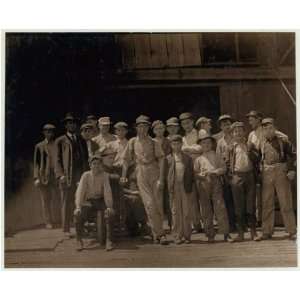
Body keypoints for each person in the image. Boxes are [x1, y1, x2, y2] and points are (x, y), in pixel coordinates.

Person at [121, 115, 168, 245]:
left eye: (145, 126)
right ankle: (160, 234)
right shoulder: (132, 142)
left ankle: (156, 234)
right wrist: (124, 175)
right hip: (140, 171)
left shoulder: (154, 142)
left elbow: (162, 159)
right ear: (136, 128)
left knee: (158, 204)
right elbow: (125, 160)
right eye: (140, 126)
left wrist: (161, 179)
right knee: (149, 204)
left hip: (154, 171)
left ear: (148, 128)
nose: (142, 129)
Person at [257, 118, 296, 241]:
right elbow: (258, 158)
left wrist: (291, 170)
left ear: (275, 128)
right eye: (265, 128)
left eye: (270, 128)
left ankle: (291, 231)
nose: (268, 131)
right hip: (267, 172)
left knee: (285, 201)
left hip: (280, 170)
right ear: (262, 131)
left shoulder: (283, 141)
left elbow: (292, 155)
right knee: (267, 202)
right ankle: (266, 231)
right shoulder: (261, 143)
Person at [194, 131, 234, 243]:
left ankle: (226, 233)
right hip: (203, 184)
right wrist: (200, 175)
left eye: (208, 143)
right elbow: (195, 173)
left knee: (220, 207)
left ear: (212, 144)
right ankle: (210, 234)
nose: (206, 145)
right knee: (206, 209)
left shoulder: (217, 156)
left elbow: (223, 168)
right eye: (203, 143)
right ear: (200, 145)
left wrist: (216, 172)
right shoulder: (199, 159)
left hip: (215, 181)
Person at [55, 113, 89, 237]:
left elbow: (86, 158)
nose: (72, 125)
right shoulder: (60, 141)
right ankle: (66, 229)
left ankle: (80, 227)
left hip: (80, 176)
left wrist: (86, 174)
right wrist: (61, 175)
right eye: (69, 123)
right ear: (66, 126)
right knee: (66, 202)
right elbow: (57, 160)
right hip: (67, 176)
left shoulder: (81, 139)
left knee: (80, 201)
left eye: (73, 123)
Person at [74, 153, 114, 251]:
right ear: (90, 165)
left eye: (98, 164)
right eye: (94, 164)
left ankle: (109, 241)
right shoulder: (86, 175)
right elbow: (80, 191)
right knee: (78, 214)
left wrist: (109, 206)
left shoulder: (104, 175)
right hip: (89, 201)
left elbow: (107, 191)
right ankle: (79, 240)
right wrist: (78, 206)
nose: (96, 166)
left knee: (109, 214)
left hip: (100, 201)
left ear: (101, 165)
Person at [228, 122, 260, 242]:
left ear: (244, 132)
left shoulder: (250, 144)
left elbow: (257, 158)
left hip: (249, 176)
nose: (238, 133)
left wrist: (250, 152)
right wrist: (231, 178)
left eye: (240, 130)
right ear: (232, 134)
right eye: (235, 131)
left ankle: (253, 233)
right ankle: (240, 234)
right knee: (238, 206)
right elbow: (227, 162)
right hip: (237, 176)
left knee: (250, 205)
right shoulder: (231, 147)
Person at [164, 135, 193, 244]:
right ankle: (177, 235)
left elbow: (191, 173)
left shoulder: (187, 158)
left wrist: (190, 185)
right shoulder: (168, 158)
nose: (176, 146)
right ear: (171, 145)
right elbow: (165, 174)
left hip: (185, 186)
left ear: (182, 144)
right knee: (175, 211)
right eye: (174, 144)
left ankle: (187, 235)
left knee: (186, 211)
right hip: (174, 186)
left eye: (178, 144)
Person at [179, 112, 202, 233]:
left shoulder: (200, 133)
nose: (186, 125)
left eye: (188, 123)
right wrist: (193, 149)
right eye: (183, 124)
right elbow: (182, 152)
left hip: (201, 167)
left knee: (203, 196)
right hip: (189, 169)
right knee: (192, 197)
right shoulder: (182, 138)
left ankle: (209, 223)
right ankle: (197, 224)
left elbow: (202, 147)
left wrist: (188, 148)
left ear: (192, 122)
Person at [33, 124, 57, 229]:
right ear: (44, 132)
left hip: (56, 174)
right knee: (45, 199)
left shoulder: (57, 144)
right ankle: (48, 222)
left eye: (51, 131)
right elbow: (36, 163)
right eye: (47, 131)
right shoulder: (39, 146)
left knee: (57, 197)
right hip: (44, 175)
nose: (49, 133)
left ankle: (58, 219)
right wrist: (36, 177)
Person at [216, 114, 236, 232]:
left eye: (228, 124)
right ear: (221, 127)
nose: (226, 127)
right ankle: (231, 224)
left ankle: (242, 223)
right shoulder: (220, 142)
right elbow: (218, 158)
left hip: (236, 171)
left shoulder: (237, 137)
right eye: (224, 125)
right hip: (225, 172)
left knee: (238, 197)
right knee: (228, 198)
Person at [152, 120, 172, 230]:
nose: (159, 131)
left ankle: (172, 223)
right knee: (157, 199)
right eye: (157, 129)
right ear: (153, 130)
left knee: (169, 198)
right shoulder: (151, 141)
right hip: (155, 172)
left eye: (161, 128)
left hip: (167, 171)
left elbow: (171, 155)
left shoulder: (168, 141)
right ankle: (158, 226)